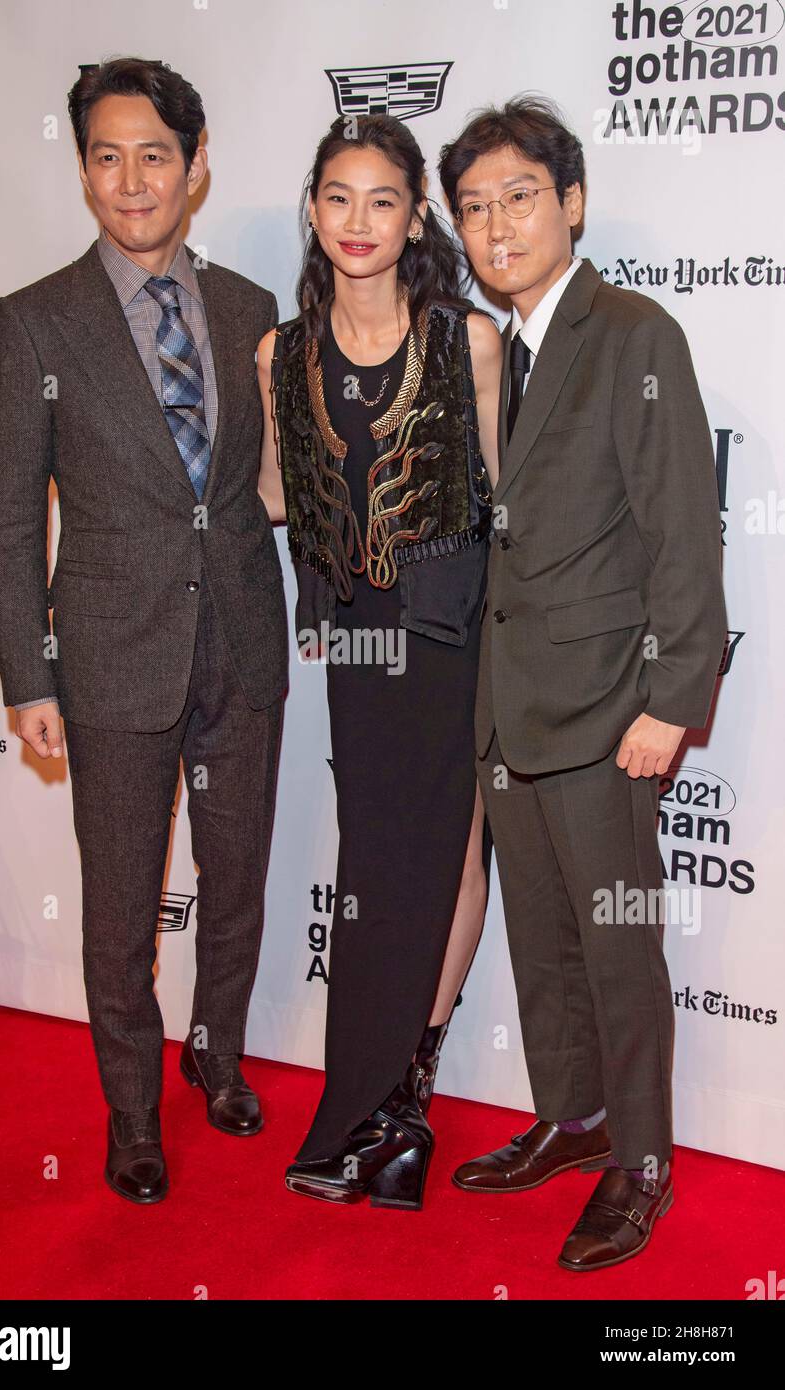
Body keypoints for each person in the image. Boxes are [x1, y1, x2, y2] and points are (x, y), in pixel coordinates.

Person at [0, 58, 288, 1205]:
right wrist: (28, 673)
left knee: (240, 877)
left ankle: (218, 1052)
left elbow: (265, 484)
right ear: (81, 171)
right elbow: (12, 513)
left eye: (154, 154)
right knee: (118, 909)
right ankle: (130, 1114)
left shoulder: (252, 310)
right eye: (106, 155)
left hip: (243, 640)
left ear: (196, 167)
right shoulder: (36, 321)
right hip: (109, 658)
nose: (131, 178)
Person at [438, 95, 727, 1268]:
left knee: (615, 944)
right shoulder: (489, 344)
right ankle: (571, 1119)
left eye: (517, 196)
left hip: (612, 707)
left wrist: (670, 702)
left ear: (569, 203)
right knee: (543, 940)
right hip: (511, 705)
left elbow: (678, 532)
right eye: (470, 206)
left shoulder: (630, 333)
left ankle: (642, 1160)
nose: (494, 224)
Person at [256, 114, 502, 1209]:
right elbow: (271, 493)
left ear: (413, 219)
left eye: (383, 201)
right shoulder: (280, 352)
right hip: (358, 634)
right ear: (313, 209)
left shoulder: (467, 340)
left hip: (453, 631)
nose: (359, 222)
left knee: (449, 852)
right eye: (338, 198)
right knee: (372, 861)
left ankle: (399, 1097)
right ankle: (372, 1109)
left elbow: (502, 496)